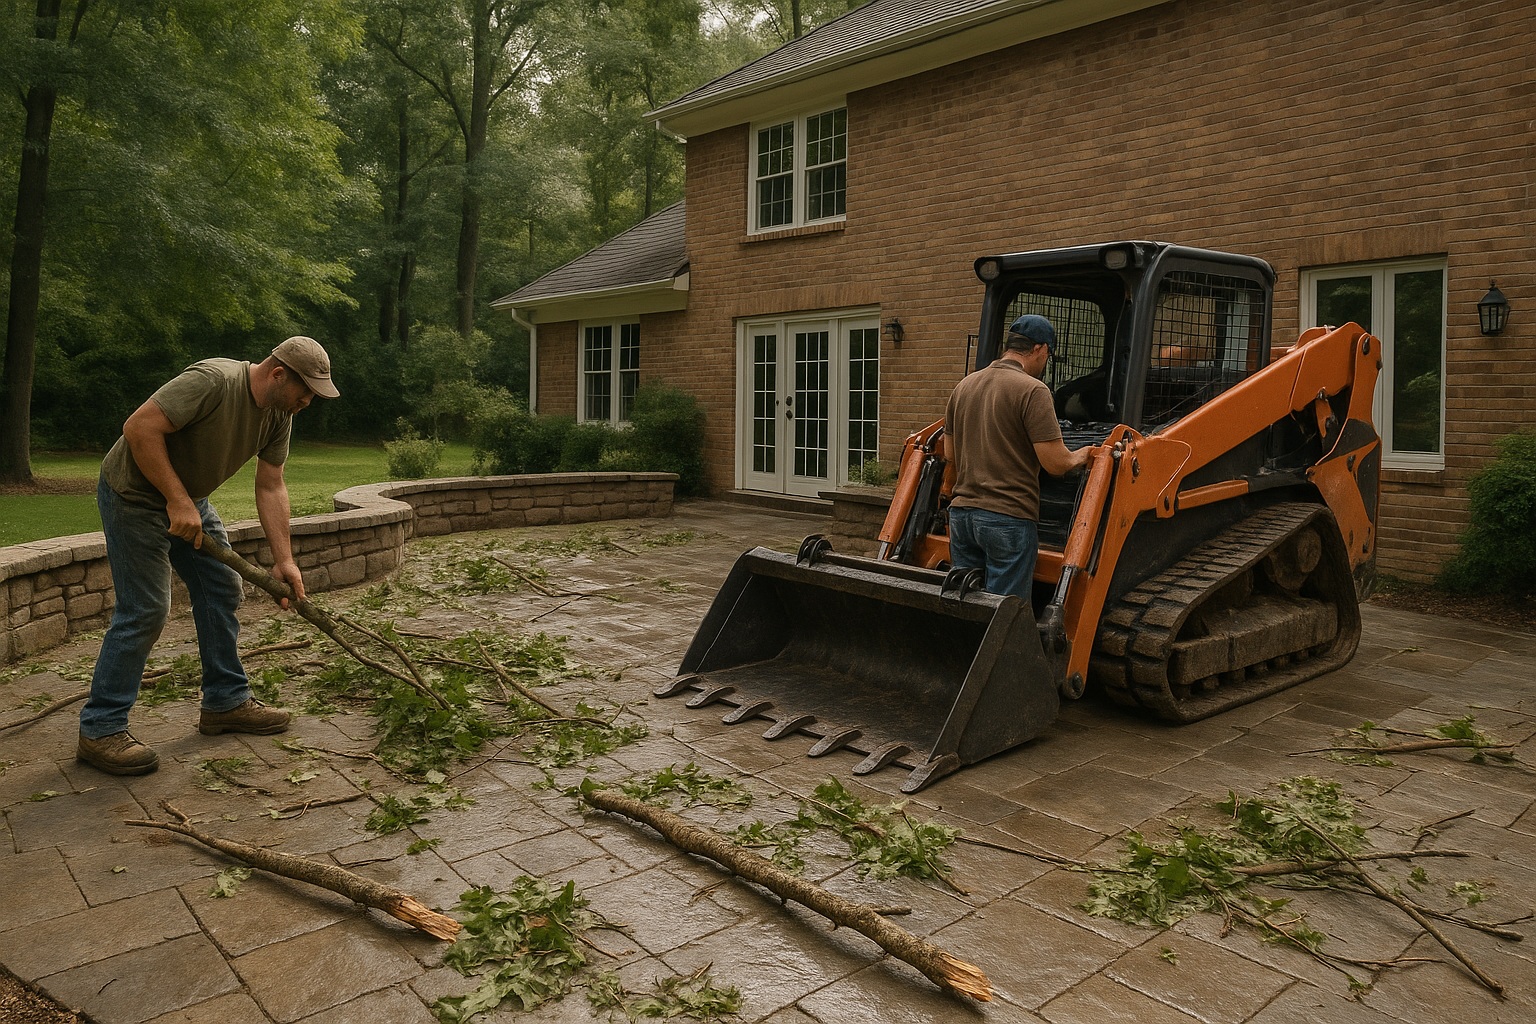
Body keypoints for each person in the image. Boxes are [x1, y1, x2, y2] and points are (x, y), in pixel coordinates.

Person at [77, 336, 340, 775]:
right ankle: (100, 729)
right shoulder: (213, 381)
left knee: (221, 586)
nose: (308, 401)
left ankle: (225, 701)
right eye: (306, 391)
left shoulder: (279, 414)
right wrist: (177, 501)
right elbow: (139, 428)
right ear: (278, 374)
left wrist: (285, 560)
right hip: (134, 496)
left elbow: (271, 484)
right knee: (145, 609)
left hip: (187, 498)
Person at [943, 314, 1090, 599]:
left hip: (962, 517)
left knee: (966, 602)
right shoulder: (1033, 390)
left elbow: (951, 453)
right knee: (1003, 613)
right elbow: (1055, 464)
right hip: (1007, 517)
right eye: (1047, 356)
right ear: (1041, 349)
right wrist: (1084, 454)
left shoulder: (964, 386)